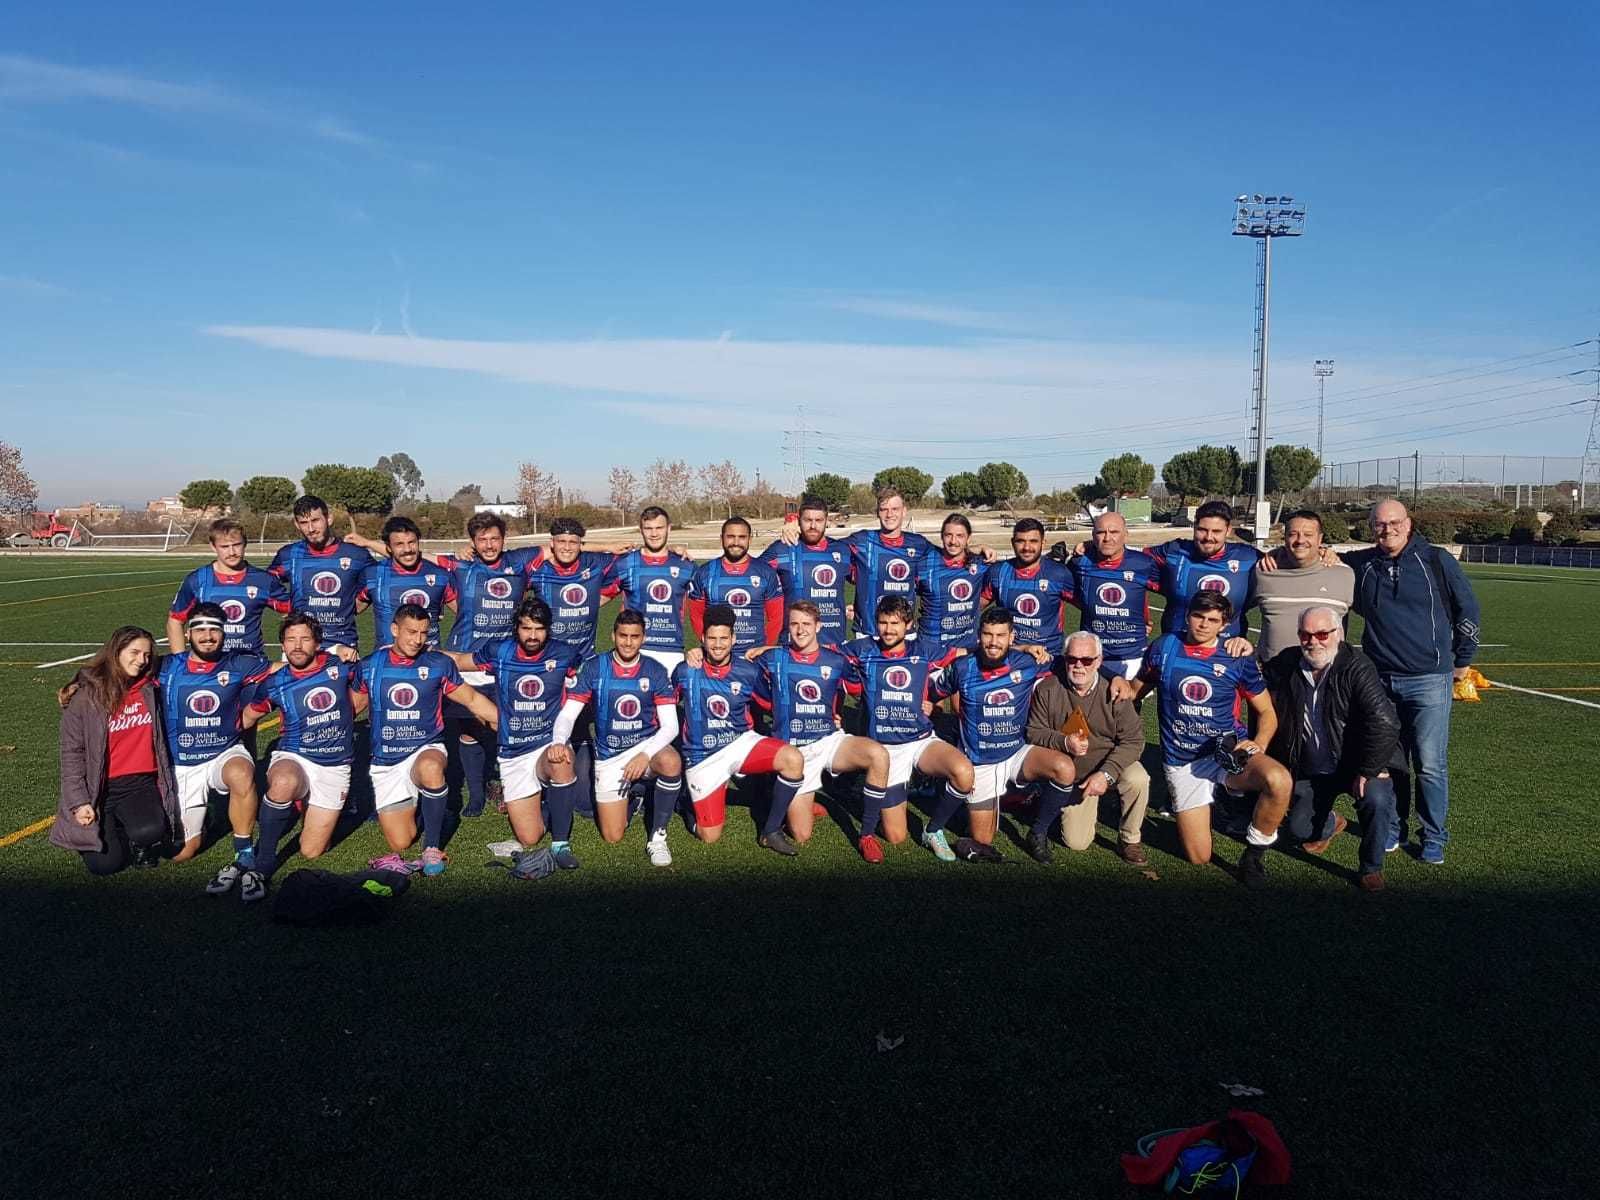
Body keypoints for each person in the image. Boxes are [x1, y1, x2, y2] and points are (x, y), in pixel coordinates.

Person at [1114, 591, 1292, 886]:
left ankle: (1253, 856)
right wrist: (1120, 682)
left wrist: (1258, 743)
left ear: (1224, 625)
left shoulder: (1237, 657)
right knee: (1199, 857)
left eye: (1213, 620)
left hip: (1226, 753)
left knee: (1279, 780)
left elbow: (1266, 712)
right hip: (1183, 761)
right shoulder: (1165, 647)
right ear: (1187, 616)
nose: (1204, 624)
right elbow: (1136, 690)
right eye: (1198, 616)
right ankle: (1218, 802)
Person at [1343, 499, 1480, 863]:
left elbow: (1469, 610)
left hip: (1429, 680)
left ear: (1409, 523)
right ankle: (1393, 828)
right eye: (1379, 524)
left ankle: (1434, 836)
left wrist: (1463, 662)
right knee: (1391, 762)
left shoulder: (1436, 560)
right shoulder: (1362, 563)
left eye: (1394, 522)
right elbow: (1312, 552)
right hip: (1379, 681)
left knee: (1431, 764)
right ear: (1371, 527)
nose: (1387, 529)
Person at [353, 604, 500, 876]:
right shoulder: (371, 666)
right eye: (411, 632)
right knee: (401, 840)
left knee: (431, 768)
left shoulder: (438, 664)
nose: (417, 640)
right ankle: (434, 809)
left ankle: (432, 846)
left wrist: (509, 723)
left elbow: (471, 699)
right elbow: (352, 706)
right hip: (387, 760)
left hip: (425, 747)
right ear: (394, 629)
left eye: (423, 633)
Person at [1261, 607, 1401, 891]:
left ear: (1338, 634)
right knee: (1298, 829)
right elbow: (1256, 679)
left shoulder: (1357, 667)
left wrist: (1369, 768)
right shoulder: (1288, 662)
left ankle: (1370, 867)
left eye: (1322, 634)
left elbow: (1385, 722)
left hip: (1357, 762)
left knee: (1375, 798)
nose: (1314, 642)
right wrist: (1237, 650)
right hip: (1312, 766)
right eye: (1305, 635)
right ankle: (1332, 823)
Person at [443, 596, 584, 869]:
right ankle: (546, 801)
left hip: (547, 744)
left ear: (548, 629)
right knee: (529, 836)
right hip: (513, 752)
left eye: (539, 628)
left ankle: (561, 844)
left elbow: (592, 673)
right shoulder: (500, 651)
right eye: (526, 628)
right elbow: (460, 660)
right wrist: (423, 652)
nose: (532, 635)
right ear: (516, 628)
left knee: (562, 758)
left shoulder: (564, 654)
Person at [924, 606, 1074, 863]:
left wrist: (1114, 678)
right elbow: (932, 691)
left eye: (1000, 635)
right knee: (982, 840)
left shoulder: (1027, 663)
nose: (993, 642)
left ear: (1012, 637)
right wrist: (927, 708)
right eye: (987, 634)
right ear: (979, 635)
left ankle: (1037, 832)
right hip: (980, 762)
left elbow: (1071, 662)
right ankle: (955, 793)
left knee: (1064, 768)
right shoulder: (961, 668)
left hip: (1016, 753)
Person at [841, 596, 975, 863]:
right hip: (886, 749)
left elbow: (968, 652)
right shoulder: (863, 649)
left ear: (909, 625)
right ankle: (875, 791)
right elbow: (818, 651)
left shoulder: (923, 649)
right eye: (882, 623)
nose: (888, 630)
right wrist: (766, 650)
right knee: (896, 836)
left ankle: (933, 830)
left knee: (963, 773)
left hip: (920, 740)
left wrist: (1024, 648)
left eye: (895, 623)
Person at [750, 601, 891, 851]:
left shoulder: (836, 661)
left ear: (818, 626)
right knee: (802, 835)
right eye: (794, 624)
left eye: (806, 624)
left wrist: (837, 713)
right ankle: (790, 793)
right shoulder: (772, 659)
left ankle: (867, 835)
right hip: (796, 751)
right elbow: (757, 695)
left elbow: (857, 689)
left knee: (878, 754)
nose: (800, 630)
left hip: (829, 741)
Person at [151, 605, 272, 889]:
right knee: (182, 853)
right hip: (182, 763)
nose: (208, 636)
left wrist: (334, 658)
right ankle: (202, 821)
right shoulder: (167, 667)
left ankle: (244, 851)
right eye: (201, 630)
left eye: (214, 630)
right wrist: (79, 682)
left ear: (223, 633)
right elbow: (117, 669)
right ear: (189, 633)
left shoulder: (240, 664)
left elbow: (287, 668)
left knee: (242, 772)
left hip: (223, 753)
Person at [551, 609, 684, 865]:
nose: (628, 642)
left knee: (671, 762)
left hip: (646, 748)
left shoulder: (654, 671)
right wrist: (559, 741)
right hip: (609, 756)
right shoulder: (595, 668)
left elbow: (670, 727)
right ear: (613, 636)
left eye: (635, 636)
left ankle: (657, 838)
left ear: (643, 638)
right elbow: (568, 715)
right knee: (612, 835)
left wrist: (645, 755)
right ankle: (638, 795)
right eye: (623, 635)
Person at [242, 612, 368, 880]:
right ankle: (264, 858)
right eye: (290, 640)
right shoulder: (275, 682)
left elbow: (366, 687)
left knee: (312, 850)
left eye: (304, 639)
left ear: (318, 643)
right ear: (283, 645)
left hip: (335, 765)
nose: (297, 646)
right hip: (295, 754)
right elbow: (248, 717)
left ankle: (306, 804)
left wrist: (350, 712)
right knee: (285, 782)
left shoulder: (341, 666)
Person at [673, 604, 808, 852]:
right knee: (709, 836)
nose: (717, 644)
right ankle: (684, 802)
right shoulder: (685, 671)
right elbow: (665, 706)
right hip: (703, 756)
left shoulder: (748, 670)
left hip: (739, 743)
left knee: (793, 759)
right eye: (711, 638)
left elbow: (770, 704)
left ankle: (770, 831)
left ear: (734, 639)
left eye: (724, 638)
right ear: (702, 639)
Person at [437, 511, 544, 817]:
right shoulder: (462, 565)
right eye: (481, 539)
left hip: (505, 659)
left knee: (506, 724)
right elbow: (415, 553)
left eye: (494, 538)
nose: (488, 545)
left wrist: (616, 546)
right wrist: (365, 542)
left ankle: (506, 784)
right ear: (472, 542)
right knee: (469, 730)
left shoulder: (519, 561)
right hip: (465, 659)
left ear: (503, 539)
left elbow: (559, 546)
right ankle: (476, 793)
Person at [51, 626, 180, 875]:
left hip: (140, 783)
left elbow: (190, 662)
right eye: (134, 652)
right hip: (100, 788)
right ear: (116, 651)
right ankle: (113, 828)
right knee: (105, 865)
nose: (141, 660)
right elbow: (71, 754)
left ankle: (135, 833)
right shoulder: (85, 697)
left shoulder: (150, 689)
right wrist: (79, 803)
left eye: (147, 655)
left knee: (150, 830)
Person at [1024, 630, 1151, 865]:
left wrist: (1106, 774)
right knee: (1077, 842)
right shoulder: (1048, 689)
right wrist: (1064, 742)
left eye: (1087, 660)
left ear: (1099, 662)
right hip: (1072, 775)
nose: (1079, 666)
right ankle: (1054, 799)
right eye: (1072, 659)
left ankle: (1130, 839)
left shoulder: (1115, 692)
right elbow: (1033, 732)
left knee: (1138, 778)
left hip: (1108, 764)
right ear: (1065, 659)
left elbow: (1134, 741)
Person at [267, 495, 379, 658]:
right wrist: (287, 608)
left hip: (342, 645)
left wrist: (357, 604)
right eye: (304, 523)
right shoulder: (289, 554)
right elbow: (264, 585)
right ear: (297, 525)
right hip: (300, 647)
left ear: (329, 518)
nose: (311, 528)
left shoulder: (355, 554)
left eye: (315, 520)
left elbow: (377, 581)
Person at [1053, 510, 1158, 680]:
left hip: (1132, 655)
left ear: (1126, 534)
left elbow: (1170, 592)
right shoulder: (1080, 563)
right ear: (1093, 536)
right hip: (1091, 655)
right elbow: (1070, 594)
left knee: (1128, 704)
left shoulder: (1143, 564)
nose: (1107, 538)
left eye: (1114, 532)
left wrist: (1146, 618)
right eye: (1101, 532)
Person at [167, 518, 289, 657]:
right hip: (211, 666)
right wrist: (181, 662)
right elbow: (176, 621)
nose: (231, 552)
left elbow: (292, 611)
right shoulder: (197, 580)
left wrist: (289, 649)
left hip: (250, 665)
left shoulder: (263, 580)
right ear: (213, 546)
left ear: (245, 544)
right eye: (224, 547)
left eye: (236, 545)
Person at [1147, 500, 1260, 643]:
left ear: (1228, 530)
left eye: (1216, 531)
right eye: (1202, 530)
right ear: (1194, 527)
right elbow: (1130, 564)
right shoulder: (1174, 551)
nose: (1208, 537)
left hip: (1227, 652)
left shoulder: (1249, 558)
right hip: (1177, 648)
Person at [1249, 509, 1354, 659]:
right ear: (1284, 538)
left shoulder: (1344, 574)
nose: (1300, 540)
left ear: (1320, 539)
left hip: (1328, 677)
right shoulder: (1264, 570)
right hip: (1274, 676)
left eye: (1308, 535)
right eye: (1293, 534)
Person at [524, 516, 621, 662]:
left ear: (580, 544)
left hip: (585, 661)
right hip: (547, 661)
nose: (567, 548)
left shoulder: (595, 563)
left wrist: (593, 602)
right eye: (561, 541)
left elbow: (634, 565)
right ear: (552, 543)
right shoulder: (537, 570)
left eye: (573, 542)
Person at [612, 506, 695, 672]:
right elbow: (599, 595)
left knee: (669, 699)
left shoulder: (686, 565)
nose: (654, 534)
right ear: (641, 530)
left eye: (659, 528)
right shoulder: (625, 563)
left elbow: (704, 605)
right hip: (635, 648)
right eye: (648, 528)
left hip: (672, 650)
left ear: (669, 528)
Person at [760, 495, 850, 648]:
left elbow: (864, 575)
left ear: (827, 521)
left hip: (833, 643)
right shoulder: (783, 548)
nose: (813, 526)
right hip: (793, 643)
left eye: (819, 520)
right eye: (808, 520)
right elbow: (751, 573)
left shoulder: (843, 550)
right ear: (798, 521)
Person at [686, 516, 784, 653]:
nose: (736, 542)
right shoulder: (704, 572)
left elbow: (776, 618)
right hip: (718, 656)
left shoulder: (766, 572)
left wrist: (763, 650)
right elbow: (696, 615)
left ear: (749, 539)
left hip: (754, 656)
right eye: (730, 537)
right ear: (722, 539)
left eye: (742, 537)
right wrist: (711, 645)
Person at [357, 515, 457, 648]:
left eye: (412, 542)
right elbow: (351, 609)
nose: (407, 549)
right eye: (399, 544)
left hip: (429, 661)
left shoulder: (440, 575)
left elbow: (465, 613)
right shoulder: (373, 574)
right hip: (388, 663)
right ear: (388, 548)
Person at [984, 517, 1073, 657]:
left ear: (1043, 543)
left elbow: (1087, 606)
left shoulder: (1059, 573)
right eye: (1021, 541)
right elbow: (972, 607)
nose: (1026, 547)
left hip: (1049, 655)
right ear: (1013, 543)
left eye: (1033, 541)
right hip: (1011, 653)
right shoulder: (998, 572)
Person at [915, 512, 987, 650]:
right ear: (941, 536)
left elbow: (991, 592)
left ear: (968, 538)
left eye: (960, 536)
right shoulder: (924, 563)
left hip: (968, 647)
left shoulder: (981, 564)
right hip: (932, 647)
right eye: (948, 535)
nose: (953, 541)